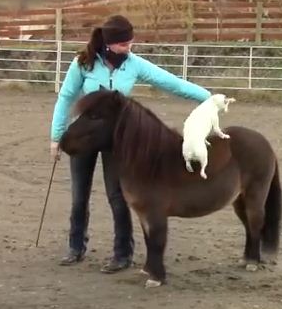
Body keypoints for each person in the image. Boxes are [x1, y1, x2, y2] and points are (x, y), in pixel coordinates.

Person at [50, 14, 212, 273]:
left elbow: (171, 83)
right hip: (87, 135)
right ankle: (75, 246)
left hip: (117, 140)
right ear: (109, 43)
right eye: (124, 44)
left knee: (118, 196)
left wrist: (209, 98)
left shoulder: (134, 64)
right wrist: (56, 136)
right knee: (79, 195)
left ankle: (122, 253)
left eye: (130, 43)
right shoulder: (83, 63)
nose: (129, 48)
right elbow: (66, 98)